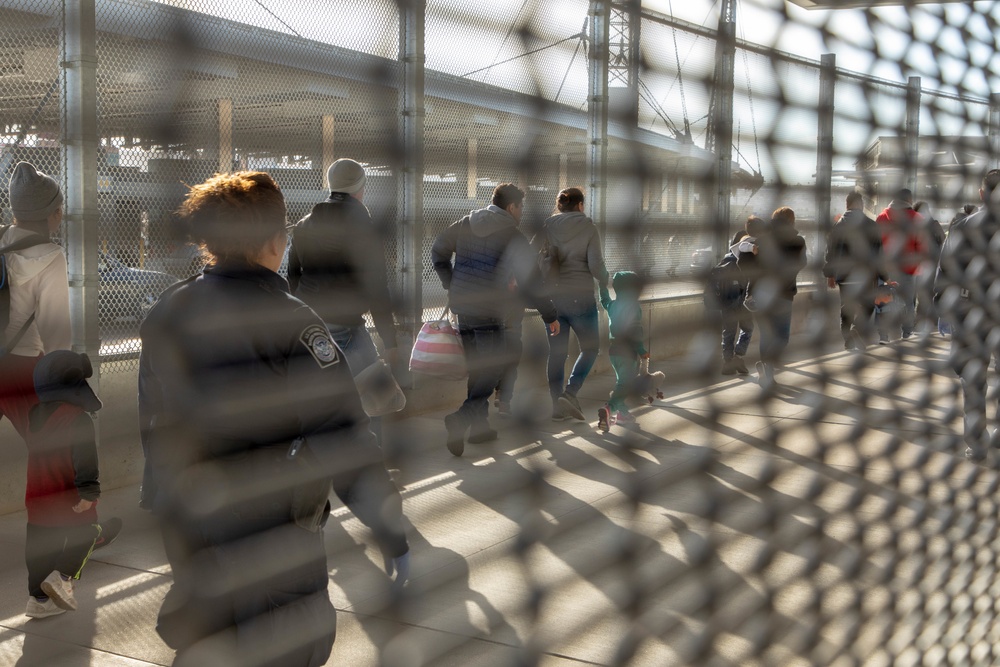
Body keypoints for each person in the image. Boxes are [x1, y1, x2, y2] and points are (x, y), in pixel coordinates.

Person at [138, 171, 409, 666]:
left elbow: (154, 418)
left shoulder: (168, 310)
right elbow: (341, 433)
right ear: (272, 240)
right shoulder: (292, 321)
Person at [431, 183, 559, 456]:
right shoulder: (513, 236)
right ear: (511, 206)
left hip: (464, 307)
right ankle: (461, 418)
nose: (522, 212)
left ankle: (479, 429)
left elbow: (438, 250)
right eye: (521, 207)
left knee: (479, 369)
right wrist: (550, 314)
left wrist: (452, 284)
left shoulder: (466, 222)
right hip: (490, 310)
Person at [287, 158, 399, 445]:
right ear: (361, 189)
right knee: (376, 396)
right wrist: (391, 341)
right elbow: (378, 289)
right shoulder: (366, 229)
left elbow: (292, 279)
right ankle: (371, 459)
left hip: (310, 327)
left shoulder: (303, 225)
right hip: (347, 327)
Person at [23, 351, 106, 619]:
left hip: (37, 501)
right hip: (67, 497)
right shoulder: (77, 418)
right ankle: (62, 576)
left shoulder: (34, 416)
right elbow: (85, 459)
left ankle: (38, 601)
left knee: (39, 549)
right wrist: (88, 492)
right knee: (89, 531)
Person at [934, 168, 1000, 466]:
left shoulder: (963, 227)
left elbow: (945, 275)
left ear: (982, 193)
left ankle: (977, 442)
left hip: (972, 313)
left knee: (973, 382)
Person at [0, 162, 70, 442]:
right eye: (59, 209)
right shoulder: (52, 257)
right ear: (52, 214)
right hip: (22, 367)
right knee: (51, 450)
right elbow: (56, 335)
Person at [535, 187, 609, 421]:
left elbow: (528, 254)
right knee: (590, 348)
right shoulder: (588, 227)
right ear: (580, 205)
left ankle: (557, 404)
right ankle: (570, 392)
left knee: (557, 354)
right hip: (581, 298)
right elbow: (596, 267)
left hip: (552, 299)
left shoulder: (547, 226)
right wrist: (608, 279)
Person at [745, 207, 806, 390]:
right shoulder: (797, 241)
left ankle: (767, 372)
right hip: (783, 294)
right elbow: (801, 263)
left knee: (766, 334)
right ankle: (767, 367)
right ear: (792, 221)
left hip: (761, 293)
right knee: (782, 336)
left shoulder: (763, 239)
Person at [823, 191, 893, 350]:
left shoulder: (838, 225)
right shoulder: (871, 225)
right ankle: (856, 329)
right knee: (868, 306)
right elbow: (878, 255)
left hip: (845, 276)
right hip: (866, 275)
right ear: (860, 205)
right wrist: (885, 276)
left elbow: (830, 252)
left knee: (846, 309)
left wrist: (830, 275)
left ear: (847, 204)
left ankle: (848, 341)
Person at [597, 271, 648, 431]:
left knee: (622, 383)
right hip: (628, 352)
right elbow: (635, 331)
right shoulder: (633, 307)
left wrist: (601, 284)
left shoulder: (613, 305)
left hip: (613, 352)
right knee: (626, 385)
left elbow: (604, 299)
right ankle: (609, 409)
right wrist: (642, 350)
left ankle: (622, 414)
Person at [875, 188, 927, 342]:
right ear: (909, 200)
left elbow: (875, 245)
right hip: (909, 268)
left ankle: (884, 335)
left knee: (884, 301)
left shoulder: (881, 218)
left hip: (885, 269)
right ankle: (907, 333)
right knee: (908, 302)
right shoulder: (918, 219)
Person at [716, 215, 766, 374]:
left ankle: (727, 362)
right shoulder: (754, 250)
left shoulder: (727, 257)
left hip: (727, 297)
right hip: (743, 296)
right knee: (748, 328)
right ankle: (738, 355)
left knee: (728, 331)